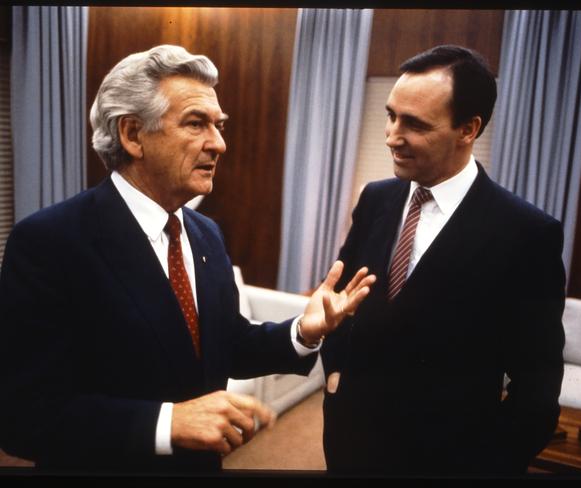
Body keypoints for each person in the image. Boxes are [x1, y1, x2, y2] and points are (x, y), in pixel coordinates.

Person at [0, 45, 375, 474]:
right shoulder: (50, 242)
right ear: (133, 135)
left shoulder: (205, 234)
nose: (219, 143)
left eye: (219, 126)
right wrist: (166, 422)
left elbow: (224, 344)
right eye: (196, 124)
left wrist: (304, 332)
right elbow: (22, 415)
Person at [320, 45, 566, 476]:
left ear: (468, 129)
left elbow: (537, 391)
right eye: (391, 115)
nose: (391, 136)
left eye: (413, 123)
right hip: (348, 446)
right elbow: (341, 296)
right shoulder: (375, 198)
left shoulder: (528, 234)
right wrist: (335, 374)